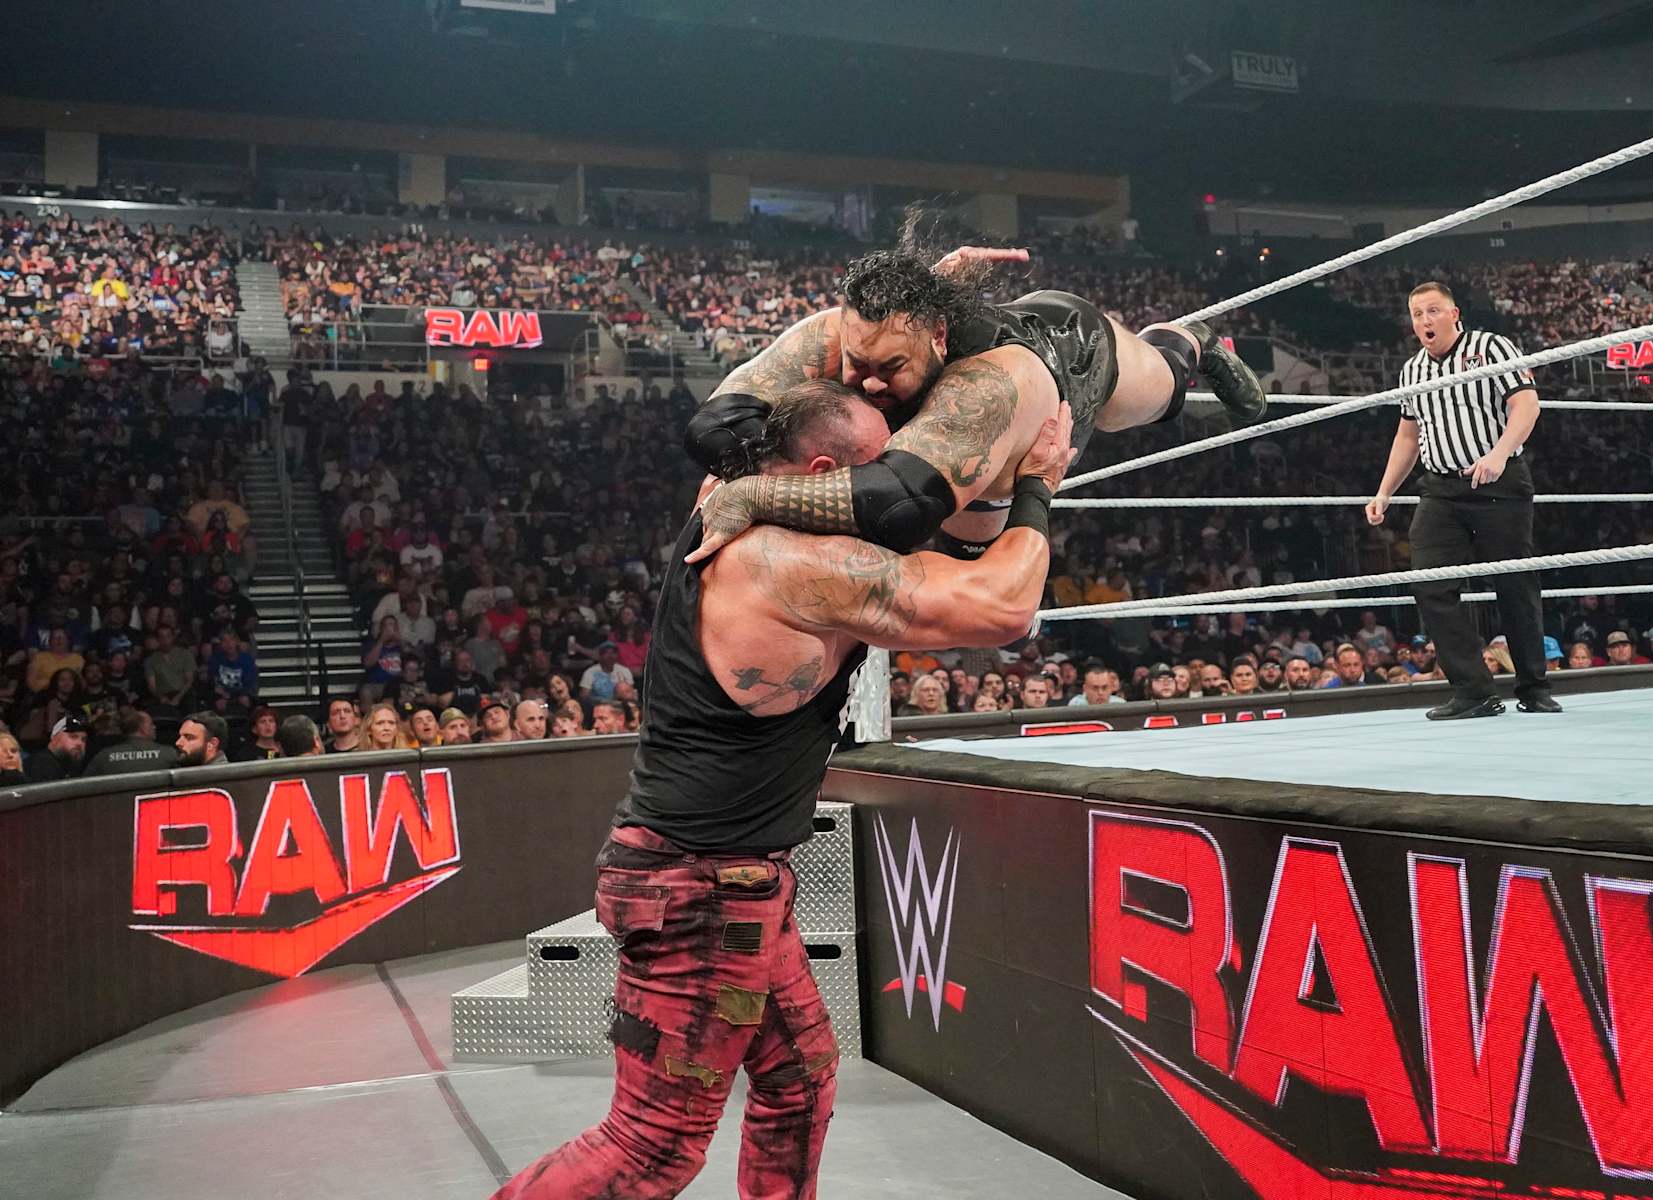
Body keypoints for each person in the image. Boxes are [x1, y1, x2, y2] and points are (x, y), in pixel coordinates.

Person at [490, 380, 1071, 1199]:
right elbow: (1002, 607)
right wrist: (1039, 483)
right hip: (697, 891)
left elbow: (784, 370)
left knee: (799, 1082)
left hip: (734, 882)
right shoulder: (794, 559)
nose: (904, 483)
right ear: (829, 470)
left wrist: (904, 315)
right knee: (651, 1147)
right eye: (887, 470)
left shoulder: (726, 496)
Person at [684, 232, 1264, 562]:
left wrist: (757, 492)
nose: (869, 384)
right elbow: (714, 424)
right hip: (982, 440)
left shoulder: (980, 384)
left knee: (1162, 392)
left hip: (1068, 352)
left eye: (892, 367)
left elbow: (898, 498)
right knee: (966, 545)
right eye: (859, 362)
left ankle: (1198, 340)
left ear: (937, 337)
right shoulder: (836, 337)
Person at [1366, 280, 1557, 720]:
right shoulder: (1412, 370)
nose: (1424, 320)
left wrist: (1498, 454)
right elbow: (1407, 436)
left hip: (1499, 482)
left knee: (1514, 584)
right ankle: (1473, 690)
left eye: (1433, 310)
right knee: (1429, 581)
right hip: (1440, 488)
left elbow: (1527, 406)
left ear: (1454, 314)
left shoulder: (1491, 348)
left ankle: (1534, 686)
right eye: (1416, 314)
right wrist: (1384, 492)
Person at [86, 708, 180, 775]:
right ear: (143, 728)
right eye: (151, 724)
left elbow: (84, 785)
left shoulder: (104, 756)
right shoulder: (168, 754)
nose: (154, 727)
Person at [23, 714, 89, 783]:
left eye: (83, 739)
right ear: (54, 737)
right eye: (73, 737)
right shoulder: (39, 766)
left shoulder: (71, 766)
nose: (79, 743)